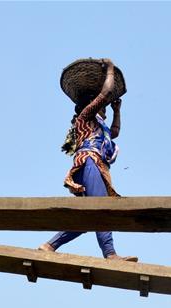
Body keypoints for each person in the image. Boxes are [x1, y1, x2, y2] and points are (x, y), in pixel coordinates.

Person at [39, 59, 137, 261]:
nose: (105, 109)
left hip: (96, 165)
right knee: (101, 206)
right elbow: (107, 93)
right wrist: (109, 69)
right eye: (103, 107)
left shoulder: (99, 126)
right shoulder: (85, 117)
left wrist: (117, 112)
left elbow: (115, 132)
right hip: (89, 162)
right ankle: (110, 254)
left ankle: (49, 245)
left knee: (86, 218)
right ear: (92, 105)